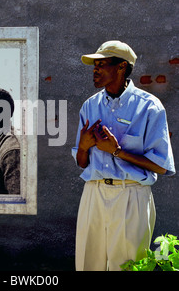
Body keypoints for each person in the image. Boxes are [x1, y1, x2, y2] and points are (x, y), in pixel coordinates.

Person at [72, 40, 175, 271]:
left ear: (121, 67)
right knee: (87, 264)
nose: (95, 70)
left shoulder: (149, 107)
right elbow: (81, 163)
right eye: (94, 65)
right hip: (93, 193)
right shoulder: (89, 106)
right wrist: (83, 146)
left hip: (132, 195)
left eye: (102, 64)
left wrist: (117, 151)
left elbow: (161, 166)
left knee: (127, 266)